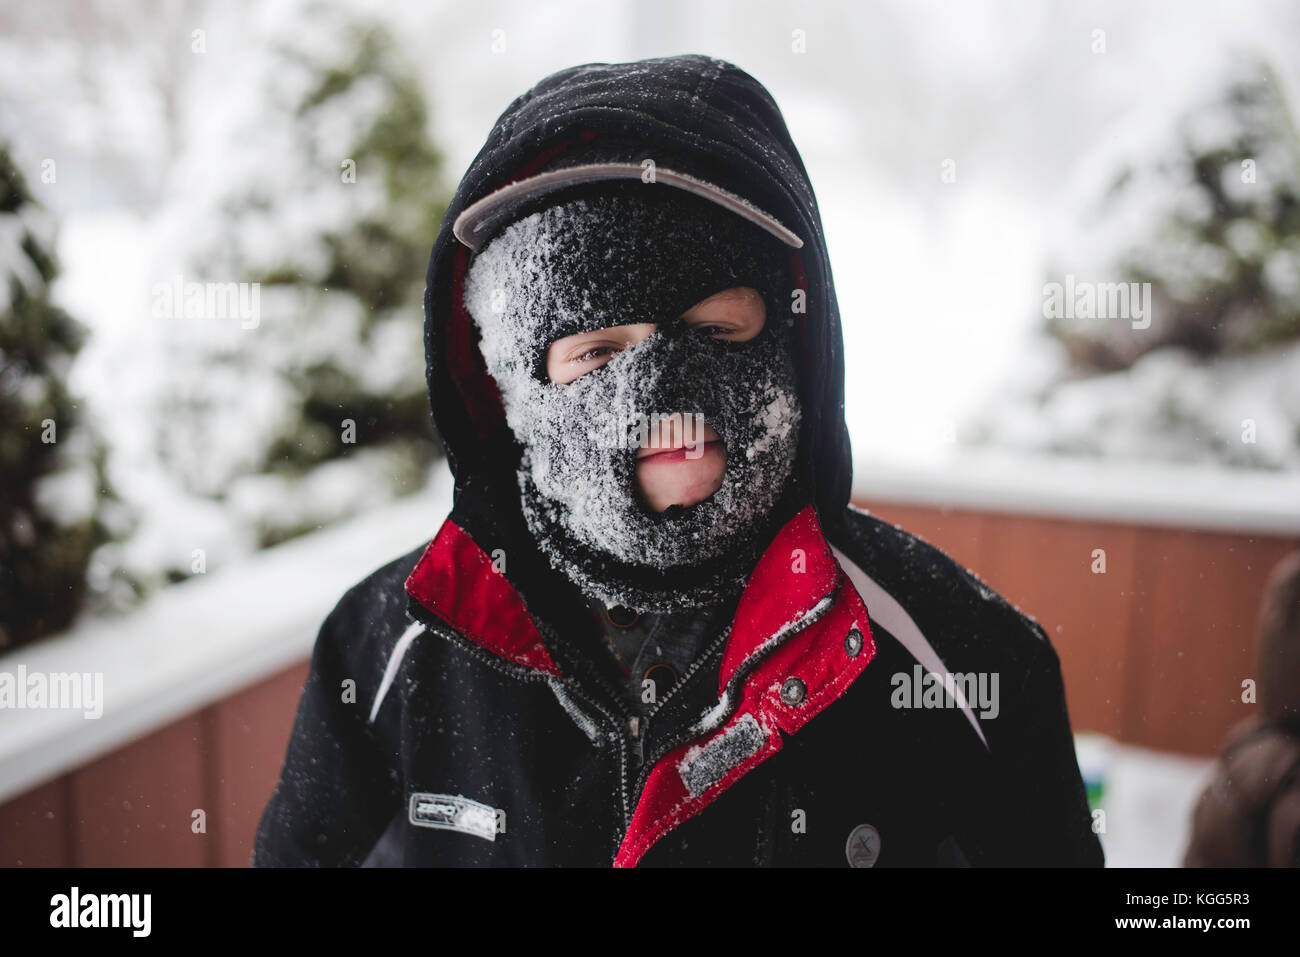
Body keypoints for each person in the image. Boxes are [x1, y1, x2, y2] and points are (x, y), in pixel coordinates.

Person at [254, 53, 1103, 867]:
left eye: (714, 332)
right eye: (596, 353)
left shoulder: (958, 661)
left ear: (795, 349)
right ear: (512, 387)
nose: (662, 393)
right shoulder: (391, 651)